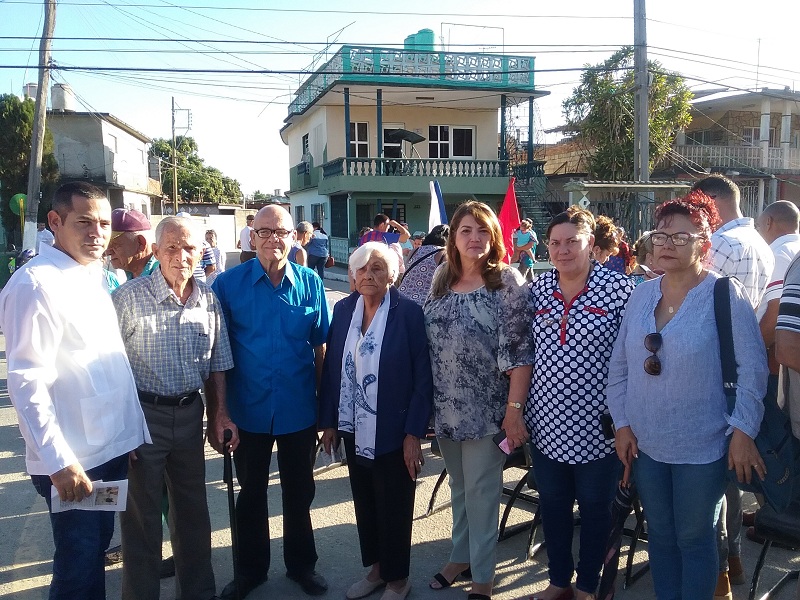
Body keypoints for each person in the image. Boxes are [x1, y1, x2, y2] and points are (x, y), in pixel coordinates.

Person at [606, 192, 768, 600]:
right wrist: (622, 424)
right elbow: (620, 368)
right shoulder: (641, 295)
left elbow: (753, 369)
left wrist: (743, 432)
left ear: (705, 245)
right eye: (660, 235)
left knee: (695, 538)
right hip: (647, 444)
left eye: (681, 237)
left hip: (705, 445)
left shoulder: (724, 295)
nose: (666, 244)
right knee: (659, 536)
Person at [0, 181, 150, 599]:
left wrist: (128, 434)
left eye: (104, 223)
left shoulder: (90, 274)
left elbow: (106, 364)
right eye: (84, 222)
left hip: (108, 449)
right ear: (55, 221)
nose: (97, 233)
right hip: (75, 461)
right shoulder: (36, 285)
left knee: (93, 551)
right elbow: (27, 381)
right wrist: (59, 462)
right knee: (78, 561)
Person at [211, 205, 331, 600]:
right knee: (251, 495)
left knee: (300, 494)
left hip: (299, 411)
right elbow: (217, 357)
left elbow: (321, 351)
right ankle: (249, 572)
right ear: (252, 237)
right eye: (264, 232)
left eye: (280, 232)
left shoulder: (311, 284)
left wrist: (323, 410)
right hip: (248, 412)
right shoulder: (227, 286)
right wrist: (220, 413)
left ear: (293, 238)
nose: (272, 240)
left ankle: (301, 567)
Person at [112, 216, 233, 600]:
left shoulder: (208, 299)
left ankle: (198, 593)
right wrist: (120, 429)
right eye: (172, 248)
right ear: (157, 251)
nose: (182, 256)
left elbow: (217, 364)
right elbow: (108, 370)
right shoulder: (129, 298)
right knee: (141, 520)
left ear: (201, 252)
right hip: (142, 416)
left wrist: (220, 415)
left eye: (190, 248)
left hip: (189, 415)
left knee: (193, 513)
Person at [424, 201, 534, 600]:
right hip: (446, 411)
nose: (475, 238)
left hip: (490, 412)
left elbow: (521, 355)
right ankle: (460, 556)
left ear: (495, 237)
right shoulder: (441, 277)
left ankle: (483, 575)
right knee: (459, 487)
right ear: (453, 236)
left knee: (483, 492)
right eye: (466, 230)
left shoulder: (506, 282)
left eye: (483, 231)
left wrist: (514, 413)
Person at [524, 207, 634, 600]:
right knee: (552, 508)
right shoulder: (536, 289)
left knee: (595, 512)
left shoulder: (621, 290)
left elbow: (633, 362)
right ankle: (558, 581)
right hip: (547, 426)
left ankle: (588, 586)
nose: (562, 250)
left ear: (591, 243)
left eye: (572, 241)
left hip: (600, 430)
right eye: (555, 243)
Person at [319, 242, 433, 600]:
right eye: (363, 269)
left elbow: (423, 378)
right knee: (365, 500)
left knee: (395, 503)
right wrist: (330, 422)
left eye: (378, 268)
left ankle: (398, 578)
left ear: (392, 275)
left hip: (394, 430)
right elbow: (333, 366)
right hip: (354, 427)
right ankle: (378, 569)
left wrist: (414, 433)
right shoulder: (343, 309)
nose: (370, 274)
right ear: (353, 276)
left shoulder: (409, 313)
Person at [691, 175, 774, 598]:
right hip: (740, 364)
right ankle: (734, 559)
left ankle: (719, 569)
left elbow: (692, 296)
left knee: (712, 479)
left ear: (715, 203)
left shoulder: (719, 243)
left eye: (700, 204)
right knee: (726, 476)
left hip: (711, 367)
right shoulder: (760, 241)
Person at [398, 225, 449, 306]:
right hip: (422, 303)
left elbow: (407, 269)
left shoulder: (415, 250)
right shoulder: (443, 254)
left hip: (401, 298)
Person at [105, 208, 159, 279]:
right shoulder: (132, 273)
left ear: (141, 243)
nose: (107, 252)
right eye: (107, 244)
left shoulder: (162, 275)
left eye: (115, 245)